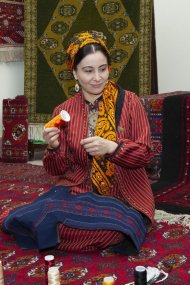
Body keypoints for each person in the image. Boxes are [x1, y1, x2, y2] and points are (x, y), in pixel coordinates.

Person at [2, 31, 155, 255]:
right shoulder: (63, 112)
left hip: (122, 194)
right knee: (56, 218)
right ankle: (49, 222)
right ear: (74, 72)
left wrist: (113, 148)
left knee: (114, 230)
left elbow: (145, 154)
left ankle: (45, 228)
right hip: (76, 191)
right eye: (88, 71)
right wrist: (54, 148)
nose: (97, 78)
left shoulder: (130, 102)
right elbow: (56, 170)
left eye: (103, 69)